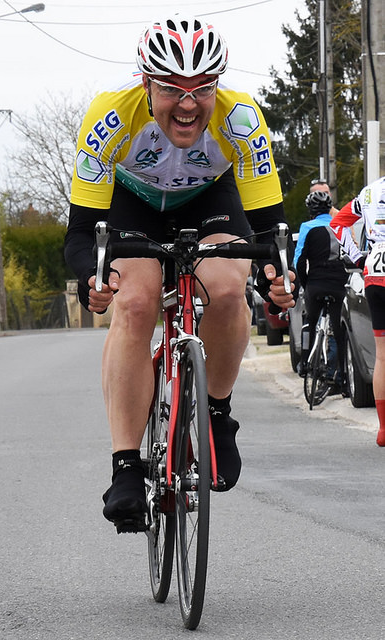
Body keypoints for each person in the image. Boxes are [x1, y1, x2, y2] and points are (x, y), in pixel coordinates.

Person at [64, 14, 295, 531]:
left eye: (203, 88)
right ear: (146, 83)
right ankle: (126, 464)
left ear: (218, 85)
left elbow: (271, 228)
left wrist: (277, 278)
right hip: (133, 204)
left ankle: (216, 414)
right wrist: (91, 279)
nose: (189, 104)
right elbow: (82, 234)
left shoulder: (240, 118)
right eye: (172, 89)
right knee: (136, 299)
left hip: (208, 201)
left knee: (229, 287)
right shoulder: (110, 116)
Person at [330, 175, 385, 446]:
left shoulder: (369, 193)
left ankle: (384, 430)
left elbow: (338, 223)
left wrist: (356, 256)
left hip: (375, 272)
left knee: (382, 357)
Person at [294, 190, 349, 394]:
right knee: (339, 330)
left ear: (310, 210)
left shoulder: (307, 227)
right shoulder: (340, 226)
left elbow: (299, 260)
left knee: (310, 322)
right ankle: (342, 380)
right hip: (338, 284)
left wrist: (305, 282)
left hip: (316, 283)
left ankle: (305, 364)